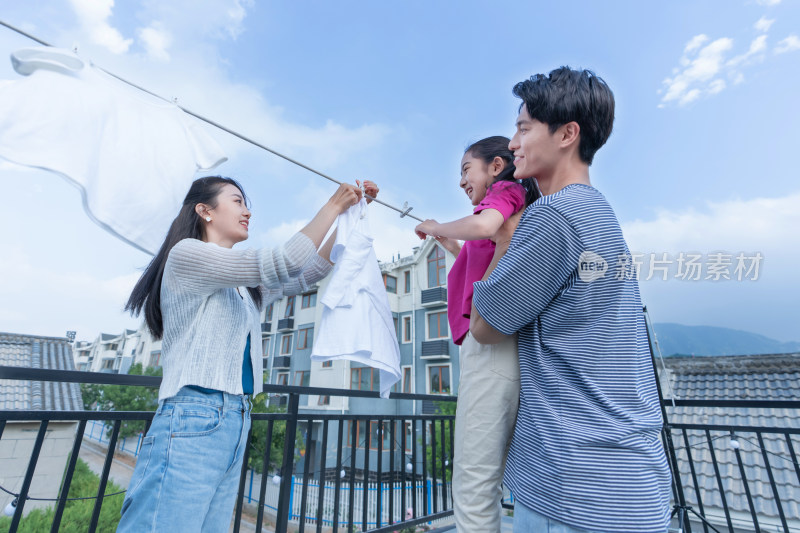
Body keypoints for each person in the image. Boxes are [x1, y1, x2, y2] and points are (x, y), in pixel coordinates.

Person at [470, 68, 672, 533]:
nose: (513, 144)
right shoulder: (601, 212)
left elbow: (485, 326)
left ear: (567, 133)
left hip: (575, 487)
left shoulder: (553, 216)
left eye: (523, 129)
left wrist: (503, 241)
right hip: (633, 483)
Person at [117, 176, 377, 532]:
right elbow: (286, 259)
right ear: (204, 211)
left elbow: (310, 269)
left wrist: (353, 212)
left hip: (234, 422)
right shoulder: (186, 255)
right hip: (192, 415)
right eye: (237, 201)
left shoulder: (241, 285)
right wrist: (334, 204)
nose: (247, 211)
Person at [414, 136, 537, 533]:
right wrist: (453, 244)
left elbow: (485, 224)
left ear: (497, 166)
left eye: (466, 170)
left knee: (473, 482)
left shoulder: (504, 193)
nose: (462, 181)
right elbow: (483, 259)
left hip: (490, 352)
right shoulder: (508, 205)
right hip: (496, 348)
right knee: (483, 477)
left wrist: (435, 225)